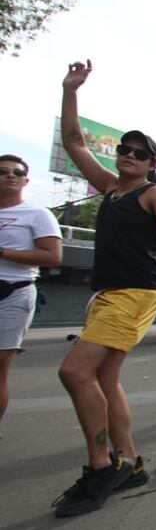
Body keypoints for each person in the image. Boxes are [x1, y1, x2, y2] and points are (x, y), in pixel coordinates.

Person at [54, 60, 156, 517]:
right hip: (108, 293)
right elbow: (75, 142)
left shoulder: (153, 193)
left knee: (74, 373)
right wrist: (70, 90)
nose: (128, 155)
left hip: (136, 292)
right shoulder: (109, 187)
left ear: (152, 164)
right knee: (103, 378)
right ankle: (131, 463)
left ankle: (101, 466)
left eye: (138, 153)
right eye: (124, 149)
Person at [0, 155, 62, 431]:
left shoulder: (37, 215)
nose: (10, 175)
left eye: (17, 172)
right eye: (3, 172)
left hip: (13, 293)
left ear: (26, 179)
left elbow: (52, 256)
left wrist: (4, 252)